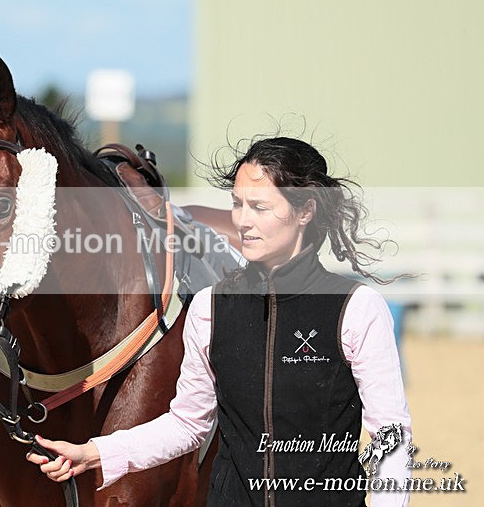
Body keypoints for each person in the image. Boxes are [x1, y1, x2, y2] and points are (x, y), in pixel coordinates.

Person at [27, 137, 411, 506]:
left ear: (305, 211)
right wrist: (93, 453)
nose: (242, 221)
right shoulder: (210, 307)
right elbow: (187, 424)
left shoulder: (356, 308)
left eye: (259, 207)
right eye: (237, 204)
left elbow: (390, 435)